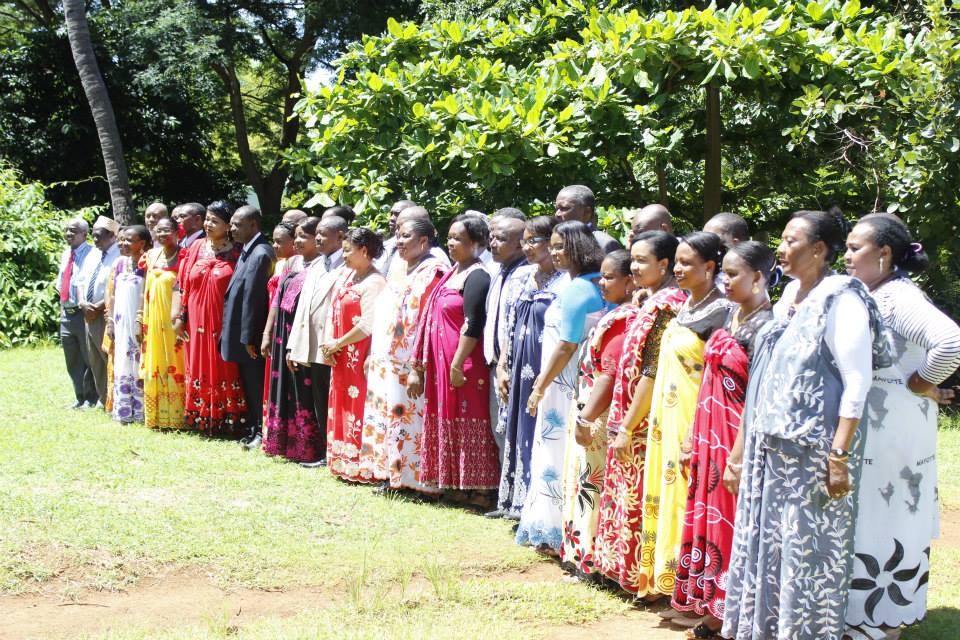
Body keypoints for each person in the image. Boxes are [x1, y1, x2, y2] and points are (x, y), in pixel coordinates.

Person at [722, 210, 892, 640]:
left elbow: (858, 381)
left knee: (807, 557)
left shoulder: (842, 298)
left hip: (812, 458)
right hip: (771, 453)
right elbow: (766, 377)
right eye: (781, 238)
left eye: (791, 240)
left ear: (818, 249)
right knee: (770, 551)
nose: (780, 248)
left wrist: (838, 455)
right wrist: (742, 450)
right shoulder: (789, 295)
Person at [843, 214, 960, 639]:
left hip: (894, 440)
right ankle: (863, 621)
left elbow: (950, 341)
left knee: (882, 523)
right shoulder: (877, 294)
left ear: (885, 254)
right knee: (870, 520)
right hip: (882, 432)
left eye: (856, 248)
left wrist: (921, 382)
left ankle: (877, 624)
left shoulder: (896, 299)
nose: (847, 255)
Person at [671, 241, 776, 637]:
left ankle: (732, 610)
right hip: (707, 433)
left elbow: (758, 397)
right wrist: (691, 438)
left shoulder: (768, 327)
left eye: (734, 274)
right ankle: (711, 601)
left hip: (736, 437)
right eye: (723, 274)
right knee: (707, 515)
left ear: (760, 277)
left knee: (735, 522)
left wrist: (737, 456)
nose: (725, 281)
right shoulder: (732, 316)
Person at [638, 232, 732, 602]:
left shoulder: (722, 312)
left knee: (686, 500)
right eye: (675, 262)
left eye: (686, 263)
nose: (677, 269)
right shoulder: (685, 307)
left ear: (709, 267)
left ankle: (689, 587)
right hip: (666, 420)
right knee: (663, 495)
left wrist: (696, 430)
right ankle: (662, 579)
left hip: (697, 422)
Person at [593, 231, 686, 593]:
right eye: (632, 260)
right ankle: (622, 569)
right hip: (628, 414)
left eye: (642, 260)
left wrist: (628, 426)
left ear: (664, 264)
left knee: (639, 496)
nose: (634, 267)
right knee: (624, 492)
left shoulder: (668, 307)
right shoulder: (651, 301)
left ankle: (641, 577)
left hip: (645, 421)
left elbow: (651, 370)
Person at [518, 221, 609, 554]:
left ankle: (553, 528)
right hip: (572, 379)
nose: (555, 253)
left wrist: (540, 385)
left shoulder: (577, 291)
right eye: (552, 246)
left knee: (556, 452)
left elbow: (566, 344)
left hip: (562, 383)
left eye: (560, 247)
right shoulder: (592, 286)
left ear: (578, 248)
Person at [409, 214, 500, 503]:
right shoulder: (452, 273)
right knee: (448, 420)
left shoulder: (478, 276)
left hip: (465, 366)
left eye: (458, 239)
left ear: (477, 243)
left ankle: (482, 490)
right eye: (449, 237)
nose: (451, 243)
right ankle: (454, 483)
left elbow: (473, 324)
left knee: (471, 422)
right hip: (441, 364)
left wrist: (457, 363)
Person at [560, 249, 637, 577]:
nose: (602, 283)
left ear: (629, 282)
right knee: (582, 482)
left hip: (598, 414)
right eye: (600, 276)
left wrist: (586, 418)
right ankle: (581, 554)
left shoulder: (624, 320)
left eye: (609, 277)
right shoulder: (613, 313)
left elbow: (609, 374)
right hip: (589, 407)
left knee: (593, 484)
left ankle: (591, 559)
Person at [363, 217, 446, 493]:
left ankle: (418, 482)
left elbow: (425, 321)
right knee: (391, 419)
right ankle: (393, 476)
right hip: (387, 360)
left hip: (412, 361)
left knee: (411, 421)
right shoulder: (400, 267)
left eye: (406, 236)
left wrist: (416, 366)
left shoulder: (433, 271)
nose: (399, 241)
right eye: (397, 235)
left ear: (423, 241)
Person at [494, 216, 562, 519]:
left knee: (540, 431)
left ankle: (538, 504)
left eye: (532, 241)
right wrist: (502, 366)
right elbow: (510, 323)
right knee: (518, 430)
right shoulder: (522, 276)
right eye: (523, 241)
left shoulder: (565, 281)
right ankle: (514, 502)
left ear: (550, 243)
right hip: (518, 363)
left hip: (546, 367)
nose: (526, 247)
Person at [172, 201, 248, 437]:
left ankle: (229, 419)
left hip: (222, 323)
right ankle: (201, 416)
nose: (208, 224)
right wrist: (178, 316)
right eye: (206, 219)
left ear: (228, 226)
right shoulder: (195, 248)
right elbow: (180, 284)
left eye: (214, 221)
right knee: (197, 365)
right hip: (195, 322)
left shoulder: (238, 252)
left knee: (224, 368)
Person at [284, 214, 349, 467]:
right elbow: (302, 309)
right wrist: (293, 345)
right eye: (317, 233)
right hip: (310, 343)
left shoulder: (348, 265)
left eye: (324, 233)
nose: (318, 238)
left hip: (334, 345)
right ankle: (325, 452)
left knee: (335, 400)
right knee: (318, 398)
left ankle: (339, 452)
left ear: (341, 236)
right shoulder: (315, 266)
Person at [323, 228, 387, 481]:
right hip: (340, 353)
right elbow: (334, 309)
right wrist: (329, 344)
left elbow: (367, 325)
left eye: (348, 250)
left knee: (358, 407)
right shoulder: (348, 276)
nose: (344, 255)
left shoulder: (375, 282)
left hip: (359, 354)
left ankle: (361, 462)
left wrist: (338, 342)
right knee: (340, 404)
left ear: (364, 251)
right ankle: (341, 459)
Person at [263, 217, 326, 462]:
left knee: (304, 389)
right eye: (296, 236)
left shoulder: (321, 266)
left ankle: (309, 447)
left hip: (303, 333)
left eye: (304, 236)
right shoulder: (291, 262)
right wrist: (267, 333)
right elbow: (277, 301)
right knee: (283, 386)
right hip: (282, 331)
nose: (298, 241)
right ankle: (285, 444)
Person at [222, 205, 276, 448]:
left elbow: (254, 299)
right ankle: (254, 428)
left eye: (237, 224)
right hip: (242, 335)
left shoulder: (261, 252)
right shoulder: (247, 250)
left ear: (253, 225)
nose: (231, 228)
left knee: (255, 386)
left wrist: (248, 337)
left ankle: (261, 432)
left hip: (251, 338)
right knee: (248, 385)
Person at [483, 208, 529, 463]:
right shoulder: (499, 271)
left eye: (500, 239)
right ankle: (506, 498)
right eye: (492, 237)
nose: (493, 243)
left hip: (513, 368)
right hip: (494, 365)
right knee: (499, 432)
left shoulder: (525, 274)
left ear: (521, 244)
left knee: (514, 433)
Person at [140, 216, 186, 430]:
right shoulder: (150, 256)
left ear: (178, 232)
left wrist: (181, 318)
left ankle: (177, 416)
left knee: (176, 362)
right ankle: (156, 415)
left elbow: (185, 289)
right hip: (153, 321)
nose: (161, 234)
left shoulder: (184, 257)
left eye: (166, 230)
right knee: (155, 362)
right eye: (158, 231)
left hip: (173, 321)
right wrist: (141, 317)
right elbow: (145, 290)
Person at [106, 226, 151, 423]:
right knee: (122, 361)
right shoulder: (119, 263)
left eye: (129, 240)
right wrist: (110, 321)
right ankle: (124, 409)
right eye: (121, 239)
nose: (123, 243)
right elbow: (114, 294)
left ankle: (142, 411)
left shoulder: (149, 262)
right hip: (120, 321)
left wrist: (140, 320)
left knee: (139, 360)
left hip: (140, 320)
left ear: (141, 243)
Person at [77, 215, 121, 408]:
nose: (95, 240)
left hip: (105, 314)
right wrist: (82, 303)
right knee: (94, 360)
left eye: (99, 236)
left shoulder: (120, 254)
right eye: (93, 236)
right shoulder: (92, 254)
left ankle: (116, 399)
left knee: (108, 357)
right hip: (88, 314)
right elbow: (80, 281)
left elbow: (116, 286)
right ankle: (105, 400)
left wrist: (99, 306)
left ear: (112, 235)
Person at [56, 218, 97, 409]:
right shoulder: (66, 254)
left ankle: (92, 398)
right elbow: (61, 282)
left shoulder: (92, 254)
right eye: (66, 230)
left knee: (88, 356)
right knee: (72, 358)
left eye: (73, 231)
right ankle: (79, 396)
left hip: (82, 313)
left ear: (84, 234)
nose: (68, 234)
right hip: (66, 312)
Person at [554, 185, 623, 253]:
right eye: (556, 209)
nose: (557, 214)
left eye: (564, 208)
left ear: (587, 212)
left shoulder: (604, 244)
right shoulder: (555, 243)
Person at [373, 199, 418, 274]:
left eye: (397, 214)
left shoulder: (422, 250)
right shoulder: (385, 245)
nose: (391, 218)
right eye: (391, 214)